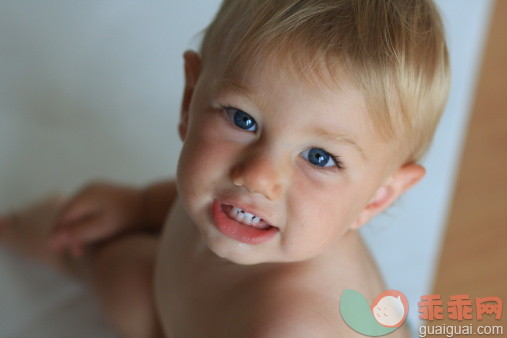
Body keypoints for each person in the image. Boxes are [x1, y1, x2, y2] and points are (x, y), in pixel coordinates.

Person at [0, 0, 450, 336]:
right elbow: (181, 202)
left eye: (320, 158)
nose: (257, 176)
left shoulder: (295, 326)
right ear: (189, 98)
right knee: (124, 276)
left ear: (378, 196)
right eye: (242, 118)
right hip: (177, 306)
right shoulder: (246, 209)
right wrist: (137, 207)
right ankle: (70, 250)